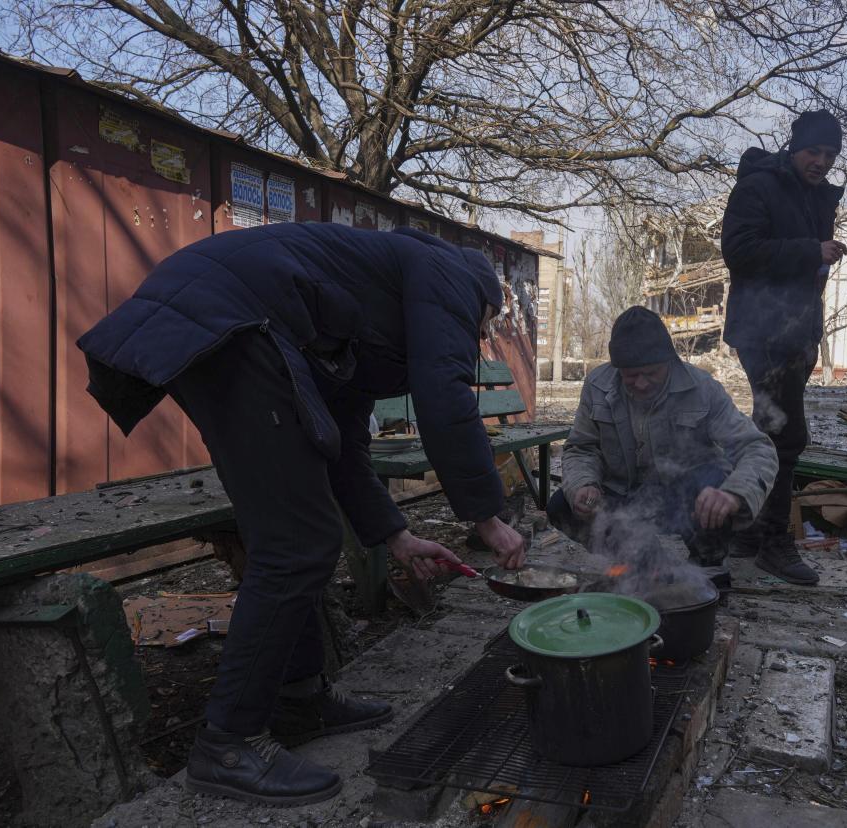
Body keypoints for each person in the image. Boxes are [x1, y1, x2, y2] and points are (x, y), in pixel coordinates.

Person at [77, 223, 528, 806]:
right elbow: (446, 392)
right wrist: (487, 518)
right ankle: (228, 742)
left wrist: (396, 538)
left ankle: (298, 699)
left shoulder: (376, 304)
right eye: (485, 326)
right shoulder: (451, 274)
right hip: (233, 320)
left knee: (302, 532)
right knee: (295, 542)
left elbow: (344, 442)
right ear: (482, 300)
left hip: (224, 317)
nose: (482, 337)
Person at [720, 109, 847, 585]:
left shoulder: (817, 197)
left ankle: (749, 532)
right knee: (786, 435)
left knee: (769, 432)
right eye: (814, 150)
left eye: (830, 154)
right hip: (763, 330)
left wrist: (821, 259)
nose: (821, 161)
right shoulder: (759, 186)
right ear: (795, 146)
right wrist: (809, 251)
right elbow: (739, 251)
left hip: (796, 330)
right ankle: (774, 541)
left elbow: (801, 266)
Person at [548, 307, 778, 565]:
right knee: (562, 506)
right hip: (623, 498)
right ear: (618, 369)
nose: (642, 383)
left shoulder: (702, 389)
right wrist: (583, 485)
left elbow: (757, 449)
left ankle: (707, 569)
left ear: (670, 362)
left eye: (652, 373)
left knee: (712, 484)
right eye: (631, 376)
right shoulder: (597, 386)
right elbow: (582, 448)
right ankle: (642, 565)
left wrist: (734, 494)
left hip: (680, 499)